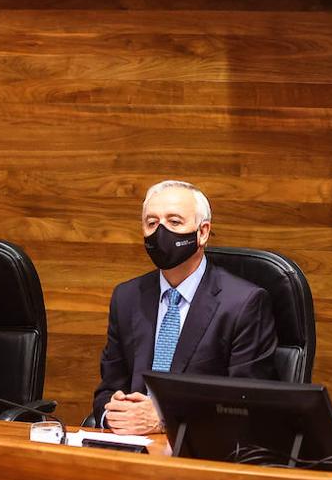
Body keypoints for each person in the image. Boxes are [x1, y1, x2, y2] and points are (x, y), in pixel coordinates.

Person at [94, 180, 277, 434]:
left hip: (202, 450)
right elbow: (107, 389)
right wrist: (112, 414)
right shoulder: (127, 297)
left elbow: (246, 405)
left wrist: (165, 420)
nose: (161, 232)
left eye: (175, 222)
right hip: (130, 446)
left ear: (202, 232)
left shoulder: (244, 303)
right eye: (152, 223)